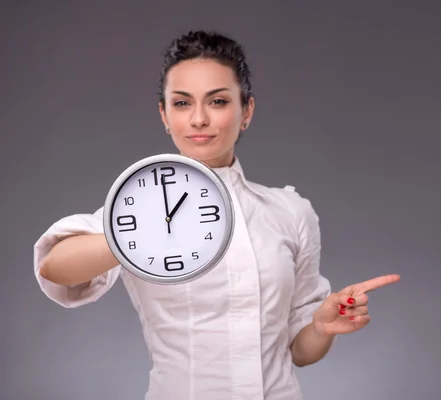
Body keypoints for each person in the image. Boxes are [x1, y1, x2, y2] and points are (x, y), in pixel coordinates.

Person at [33, 29, 400, 399]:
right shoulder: (135, 208)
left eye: (218, 101)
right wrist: (142, 235)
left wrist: (321, 327)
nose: (198, 119)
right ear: (164, 114)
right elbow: (55, 267)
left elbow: (300, 353)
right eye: (181, 103)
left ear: (246, 112)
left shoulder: (290, 212)